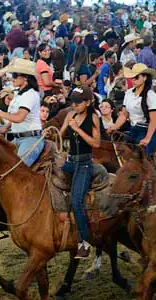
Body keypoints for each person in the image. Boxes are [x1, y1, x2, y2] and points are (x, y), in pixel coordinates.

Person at [56, 86, 101, 259]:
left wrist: (78, 130)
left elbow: (96, 144)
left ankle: (85, 242)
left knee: (76, 201)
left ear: (88, 102)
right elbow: (59, 135)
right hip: (70, 161)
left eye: (78, 102)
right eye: (73, 101)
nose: (74, 105)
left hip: (84, 163)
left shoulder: (93, 118)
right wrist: (51, 135)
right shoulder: (70, 115)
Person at [0, 58, 44, 167]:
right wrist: (6, 127)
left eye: (15, 75)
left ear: (25, 78)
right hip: (18, 138)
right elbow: (15, 115)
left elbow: (19, 117)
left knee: (16, 169)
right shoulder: (20, 94)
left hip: (30, 140)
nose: (12, 78)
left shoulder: (30, 94)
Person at [107, 63, 156, 155]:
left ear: (144, 78)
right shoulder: (128, 93)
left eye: (136, 77)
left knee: (140, 156)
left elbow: (153, 120)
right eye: (132, 78)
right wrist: (114, 127)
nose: (133, 80)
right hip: (133, 128)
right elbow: (124, 115)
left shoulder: (150, 95)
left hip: (147, 130)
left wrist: (147, 138)